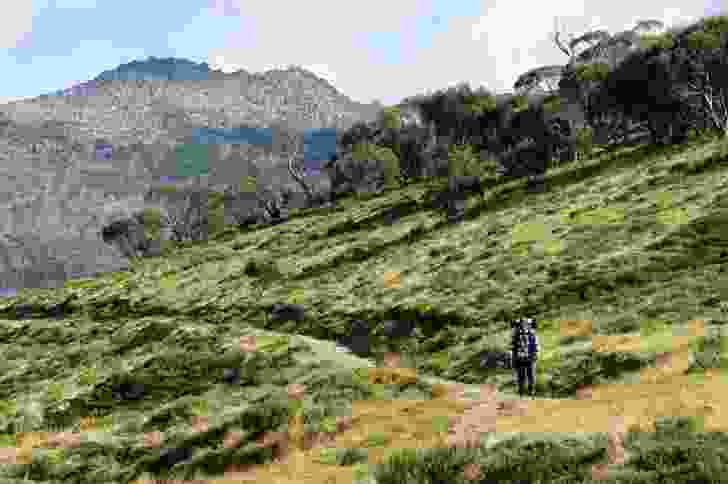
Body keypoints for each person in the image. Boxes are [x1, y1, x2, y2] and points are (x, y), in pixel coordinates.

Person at [511, 317, 539, 397]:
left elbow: (513, 347)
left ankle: (525, 392)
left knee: (525, 376)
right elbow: (535, 346)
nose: (524, 326)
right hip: (525, 358)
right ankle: (526, 392)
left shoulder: (516, 333)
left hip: (524, 358)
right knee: (526, 376)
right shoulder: (530, 333)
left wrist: (513, 358)